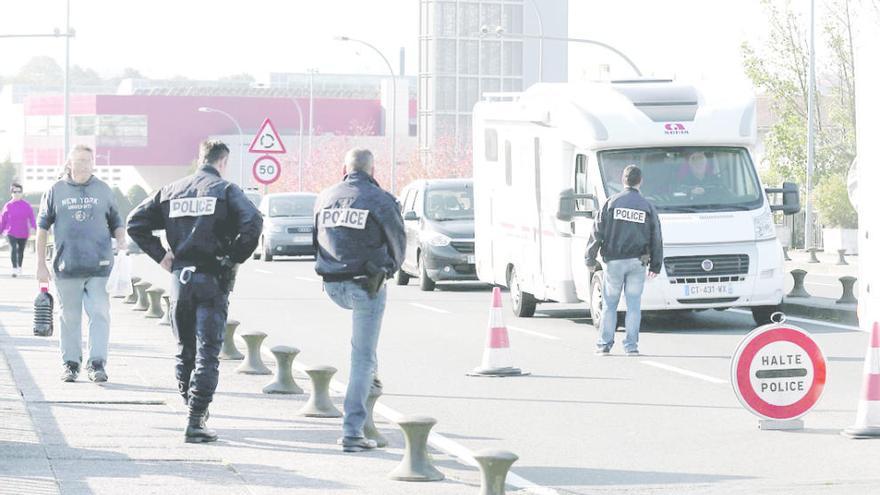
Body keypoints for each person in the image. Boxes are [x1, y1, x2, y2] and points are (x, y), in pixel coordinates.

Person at [127, 139, 262, 444]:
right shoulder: (226, 191)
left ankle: (191, 408)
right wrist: (233, 258)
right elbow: (253, 222)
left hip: (180, 280)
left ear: (200, 157)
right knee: (208, 354)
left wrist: (162, 255)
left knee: (184, 350)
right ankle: (196, 419)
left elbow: (135, 222)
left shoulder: (172, 190)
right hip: (212, 278)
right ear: (223, 162)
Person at [314, 148, 405, 453]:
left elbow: (317, 238)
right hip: (365, 285)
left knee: (365, 355)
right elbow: (397, 244)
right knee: (362, 358)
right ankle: (353, 430)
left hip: (331, 284)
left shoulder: (324, 196)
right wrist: (388, 270)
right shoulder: (381, 200)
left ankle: (371, 388)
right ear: (372, 168)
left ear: (345, 167)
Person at [36, 145, 126, 383]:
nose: (84, 165)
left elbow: (117, 221)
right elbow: (42, 228)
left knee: (99, 314)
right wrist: (40, 265)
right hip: (67, 267)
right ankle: (71, 364)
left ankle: (97, 364)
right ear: (70, 164)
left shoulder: (104, 190)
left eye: (88, 160)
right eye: (80, 160)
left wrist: (122, 243)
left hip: (99, 266)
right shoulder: (55, 191)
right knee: (70, 317)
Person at [585, 165, 663, 356]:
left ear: (623, 180)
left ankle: (604, 345)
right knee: (634, 304)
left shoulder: (611, 203)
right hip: (638, 262)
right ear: (640, 181)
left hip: (614, 262)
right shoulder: (647, 206)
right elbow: (656, 237)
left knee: (610, 305)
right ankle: (631, 347)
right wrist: (656, 264)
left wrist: (590, 256)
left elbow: (597, 231)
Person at [0, 183, 36, 277]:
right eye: (15, 192)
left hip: (23, 232)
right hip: (11, 232)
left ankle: (19, 267)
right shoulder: (8, 206)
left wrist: (34, 227)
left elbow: (31, 217)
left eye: (19, 191)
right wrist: (0, 231)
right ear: (11, 193)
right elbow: (3, 220)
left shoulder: (26, 205)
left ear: (22, 193)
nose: (17, 193)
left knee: (20, 251)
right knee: (13, 249)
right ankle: (14, 268)